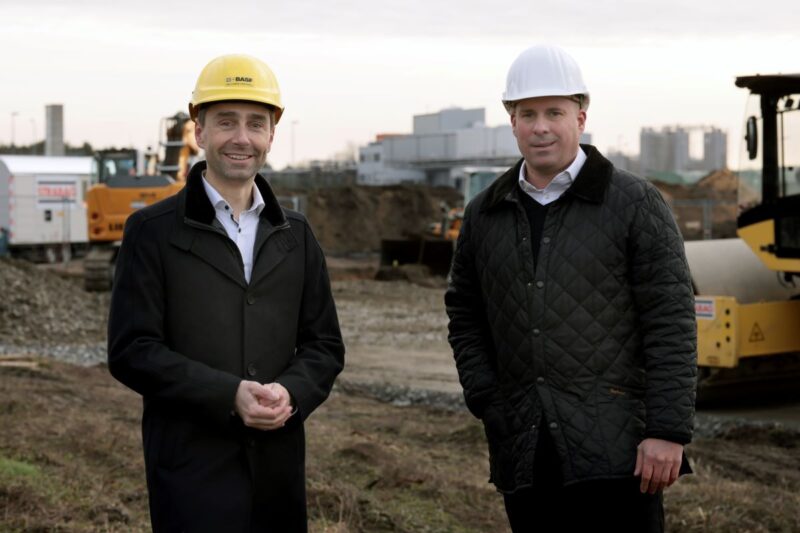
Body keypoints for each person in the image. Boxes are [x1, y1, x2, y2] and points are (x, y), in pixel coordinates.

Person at [445, 44, 696, 532]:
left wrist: (667, 430)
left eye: (554, 112)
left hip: (619, 453)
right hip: (525, 448)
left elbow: (671, 319)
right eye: (527, 113)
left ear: (580, 118)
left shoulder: (634, 203)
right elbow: (465, 313)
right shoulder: (484, 212)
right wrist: (487, 399)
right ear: (512, 121)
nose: (541, 126)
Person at [108, 54, 345, 532]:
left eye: (256, 124)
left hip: (277, 472)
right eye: (226, 122)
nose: (242, 137)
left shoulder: (295, 234)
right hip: (191, 471)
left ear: (271, 136)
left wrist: (291, 393)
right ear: (199, 131)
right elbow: (132, 351)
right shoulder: (151, 232)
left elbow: (324, 345)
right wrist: (228, 394)